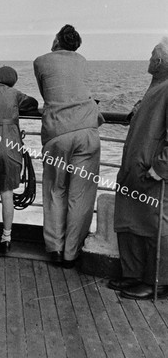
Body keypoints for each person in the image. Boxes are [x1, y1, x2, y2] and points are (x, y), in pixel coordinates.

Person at [34, 24, 103, 268]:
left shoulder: (41, 61)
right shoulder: (82, 60)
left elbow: (46, 94)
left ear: (56, 41)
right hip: (86, 129)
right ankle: (71, 254)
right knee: (81, 195)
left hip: (57, 134)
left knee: (55, 190)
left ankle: (54, 248)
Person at [109, 37, 168, 299]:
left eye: (151, 56)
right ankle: (133, 275)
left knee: (157, 226)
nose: (148, 59)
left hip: (151, 173)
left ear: (159, 61)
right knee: (129, 222)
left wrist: (161, 167)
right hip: (135, 171)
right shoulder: (156, 86)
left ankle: (158, 282)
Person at [0, 66, 38, 254]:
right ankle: (6, 239)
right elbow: (33, 103)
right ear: (12, 81)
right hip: (10, 146)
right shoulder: (15, 94)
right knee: (7, 194)